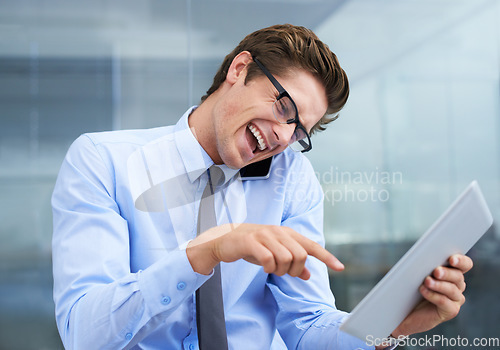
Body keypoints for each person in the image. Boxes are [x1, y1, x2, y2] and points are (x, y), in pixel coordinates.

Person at [52, 24, 472, 349]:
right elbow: (84, 334)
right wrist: (205, 253)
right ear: (239, 69)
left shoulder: (290, 180)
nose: (282, 138)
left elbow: (308, 327)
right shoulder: (103, 161)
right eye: (283, 107)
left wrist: (395, 324)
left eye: (299, 131)